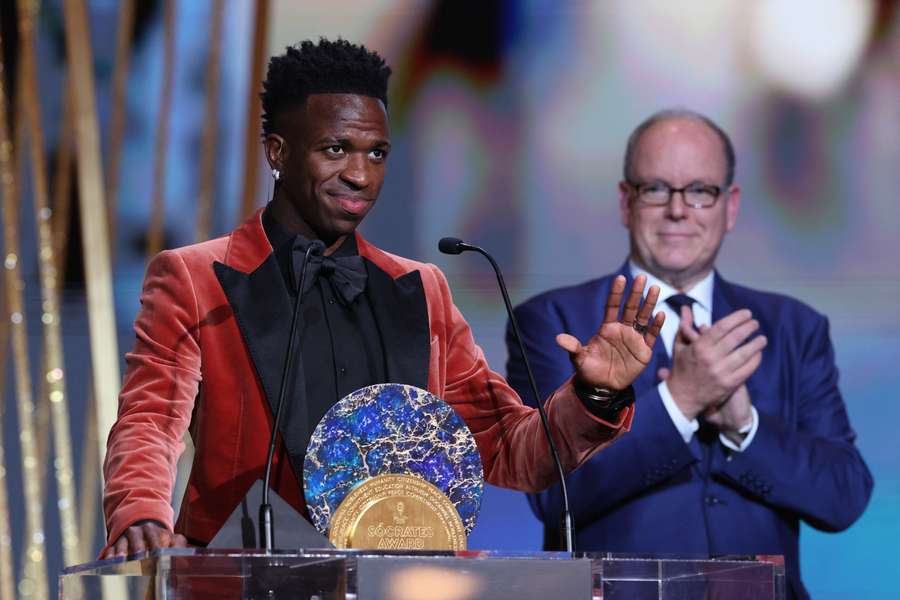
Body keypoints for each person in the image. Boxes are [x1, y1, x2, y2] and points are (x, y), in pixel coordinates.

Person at [100, 39, 666, 558]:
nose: (360, 175)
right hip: (248, 576)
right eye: (335, 149)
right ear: (277, 152)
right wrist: (140, 512)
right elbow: (151, 418)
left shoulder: (422, 290)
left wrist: (595, 393)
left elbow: (509, 450)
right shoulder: (196, 278)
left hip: (406, 580)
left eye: (377, 154)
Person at [506, 109, 873, 600]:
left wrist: (746, 428)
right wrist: (678, 401)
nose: (678, 210)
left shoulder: (793, 327)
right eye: (656, 188)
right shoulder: (552, 322)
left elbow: (843, 496)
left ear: (731, 206)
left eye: (700, 191)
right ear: (625, 201)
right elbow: (552, 495)